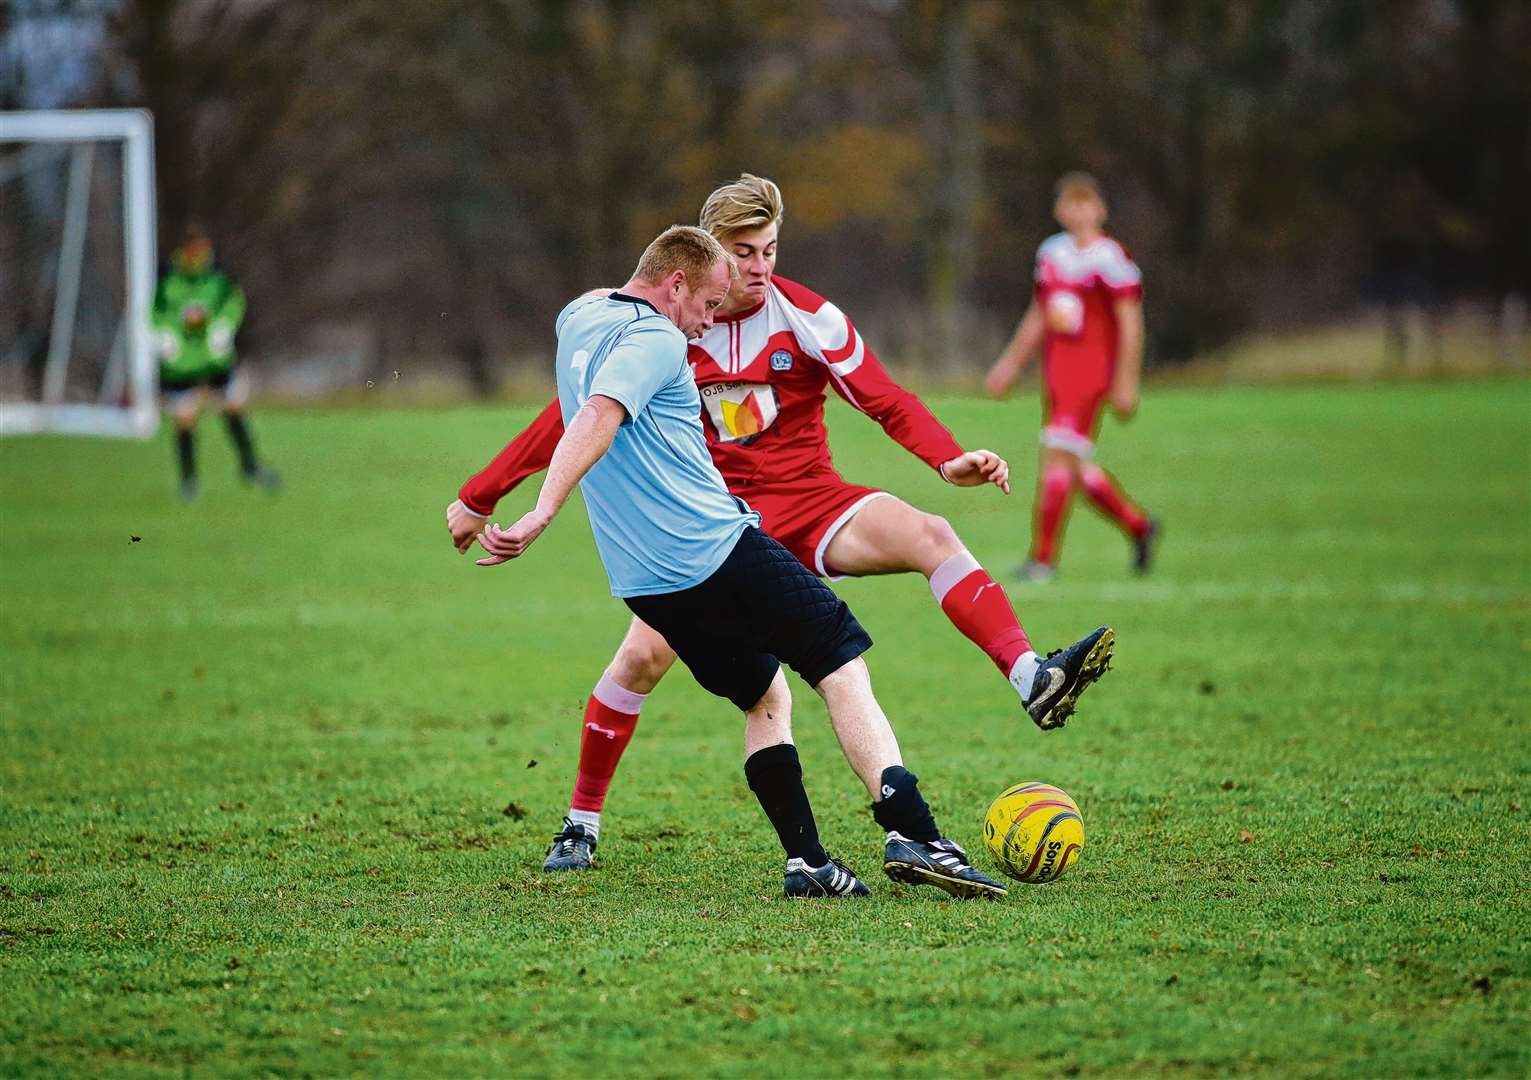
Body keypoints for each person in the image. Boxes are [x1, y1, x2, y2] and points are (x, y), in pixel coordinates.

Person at [445, 175, 1114, 873]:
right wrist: (481, 495)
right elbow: (568, 417)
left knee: (932, 535)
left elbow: (885, 399)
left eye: (770, 249)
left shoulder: (808, 317)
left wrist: (949, 460)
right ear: (705, 258)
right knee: (643, 660)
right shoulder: (667, 331)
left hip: (809, 503)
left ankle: (1029, 675)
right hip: (716, 531)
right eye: (743, 252)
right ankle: (580, 824)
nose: (761, 267)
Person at [985, 172, 1157, 582]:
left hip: (1092, 373)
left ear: (1100, 209)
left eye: (1086, 203)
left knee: (1057, 462)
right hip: (1058, 372)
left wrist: (1126, 380)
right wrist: (1011, 362)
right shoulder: (1052, 254)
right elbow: (1039, 314)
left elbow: (1130, 323)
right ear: (1060, 210)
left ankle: (1042, 561)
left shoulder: (1112, 260)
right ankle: (1138, 525)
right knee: (1072, 465)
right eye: (1070, 203)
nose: (1078, 212)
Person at [152, 225, 277, 499]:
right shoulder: (167, 278)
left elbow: (234, 302)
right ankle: (188, 480)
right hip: (181, 361)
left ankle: (251, 467)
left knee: (233, 409)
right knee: (185, 419)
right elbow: (152, 310)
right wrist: (163, 334)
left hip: (215, 358)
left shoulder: (219, 275)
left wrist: (224, 326)